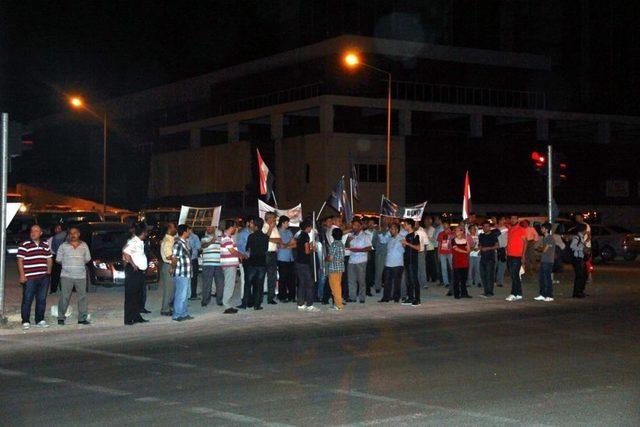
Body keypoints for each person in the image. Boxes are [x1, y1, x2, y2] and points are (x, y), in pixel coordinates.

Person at [17, 225, 53, 330]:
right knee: (27, 299)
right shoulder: (25, 244)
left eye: (36, 231)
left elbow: (49, 258)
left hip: (43, 277)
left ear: (41, 233)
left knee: (41, 299)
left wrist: (48, 272)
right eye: (32, 231)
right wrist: (22, 275)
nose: (33, 233)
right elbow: (20, 260)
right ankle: (25, 321)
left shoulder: (45, 244)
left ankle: (40, 320)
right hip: (30, 278)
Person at [56, 226, 91, 325]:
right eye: (71, 233)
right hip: (67, 276)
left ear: (79, 234)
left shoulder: (84, 245)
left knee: (82, 297)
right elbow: (58, 260)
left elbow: (87, 259)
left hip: (81, 276)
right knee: (64, 297)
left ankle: (82, 318)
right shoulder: (63, 246)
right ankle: (61, 317)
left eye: (75, 233)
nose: (72, 235)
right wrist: (68, 263)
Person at [122, 222, 149, 325]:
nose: (147, 234)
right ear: (143, 232)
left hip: (139, 272)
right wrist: (133, 264)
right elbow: (125, 252)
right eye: (146, 231)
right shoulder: (133, 241)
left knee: (138, 295)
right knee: (131, 295)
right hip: (133, 271)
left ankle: (136, 316)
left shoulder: (140, 242)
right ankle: (129, 319)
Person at [242, 218, 269, 310]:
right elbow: (266, 250)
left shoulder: (251, 236)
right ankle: (257, 305)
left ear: (256, 226)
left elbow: (248, 249)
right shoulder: (266, 237)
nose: (251, 226)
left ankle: (244, 304)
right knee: (259, 285)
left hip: (252, 262)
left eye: (253, 224)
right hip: (262, 263)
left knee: (248, 284)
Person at [220, 220, 244, 313]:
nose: (236, 229)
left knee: (229, 284)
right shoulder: (226, 238)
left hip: (229, 264)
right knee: (229, 285)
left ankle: (226, 303)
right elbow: (232, 251)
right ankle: (226, 305)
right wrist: (241, 255)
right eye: (235, 227)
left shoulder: (227, 237)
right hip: (229, 264)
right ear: (231, 227)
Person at [346, 219, 372, 303]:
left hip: (361, 261)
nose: (354, 227)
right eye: (353, 225)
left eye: (356, 225)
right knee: (351, 280)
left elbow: (369, 248)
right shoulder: (350, 235)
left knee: (361, 280)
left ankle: (362, 298)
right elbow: (346, 246)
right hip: (351, 260)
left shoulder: (365, 236)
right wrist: (348, 241)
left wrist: (359, 250)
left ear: (360, 226)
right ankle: (352, 297)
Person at [171, 224, 194, 321]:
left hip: (186, 272)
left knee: (185, 295)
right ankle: (177, 315)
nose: (190, 232)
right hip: (181, 273)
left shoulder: (184, 242)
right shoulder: (178, 244)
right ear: (184, 232)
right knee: (181, 294)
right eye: (188, 230)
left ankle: (184, 313)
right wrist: (172, 268)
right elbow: (174, 258)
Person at [296, 220, 319, 312]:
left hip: (299, 262)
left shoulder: (300, 235)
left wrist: (309, 246)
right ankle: (310, 304)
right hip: (304, 263)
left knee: (301, 283)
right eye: (310, 227)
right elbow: (306, 251)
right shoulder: (305, 236)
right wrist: (312, 249)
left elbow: (302, 247)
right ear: (307, 227)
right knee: (309, 284)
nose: (311, 229)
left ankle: (300, 304)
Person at [200, 225, 225, 308]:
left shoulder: (220, 238)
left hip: (219, 264)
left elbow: (224, 247)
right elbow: (203, 246)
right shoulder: (204, 237)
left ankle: (220, 300)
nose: (208, 229)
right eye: (207, 227)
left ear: (214, 228)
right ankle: (205, 301)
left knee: (220, 283)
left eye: (210, 227)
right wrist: (211, 241)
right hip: (208, 264)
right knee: (207, 283)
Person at [379, 223, 404, 303]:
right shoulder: (390, 238)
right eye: (390, 229)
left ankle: (396, 298)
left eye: (392, 229)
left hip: (397, 263)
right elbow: (382, 241)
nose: (390, 230)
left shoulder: (402, 238)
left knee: (397, 282)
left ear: (397, 230)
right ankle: (386, 297)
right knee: (386, 282)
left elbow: (405, 250)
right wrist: (380, 232)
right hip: (388, 263)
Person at [505, 215, 527, 302]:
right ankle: (519, 293)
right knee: (515, 276)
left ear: (517, 220)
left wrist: (523, 255)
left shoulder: (521, 229)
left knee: (514, 275)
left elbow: (525, 243)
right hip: (510, 255)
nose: (512, 220)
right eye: (511, 218)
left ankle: (513, 293)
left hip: (517, 256)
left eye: (514, 218)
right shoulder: (510, 229)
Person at [401, 219, 422, 306]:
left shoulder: (415, 235)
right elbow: (407, 248)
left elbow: (418, 248)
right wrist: (404, 245)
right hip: (407, 260)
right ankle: (410, 298)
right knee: (408, 280)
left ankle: (417, 299)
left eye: (405, 224)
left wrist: (408, 244)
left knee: (414, 280)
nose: (404, 226)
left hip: (413, 261)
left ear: (410, 225)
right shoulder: (407, 235)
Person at [262, 212, 281, 304]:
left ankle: (270, 298)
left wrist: (268, 239)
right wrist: (270, 228)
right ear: (269, 218)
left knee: (272, 277)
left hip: (273, 254)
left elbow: (279, 240)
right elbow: (264, 238)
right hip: (265, 254)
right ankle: (258, 297)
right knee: (261, 276)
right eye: (274, 218)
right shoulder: (264, 226)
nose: (275, 220)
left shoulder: (275, 228)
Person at [276, 216, 296, 302]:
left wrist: (286, 245)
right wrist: (289, 244)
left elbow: (295, 244)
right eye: (287, 222)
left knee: (291, 278)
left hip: (290, 258)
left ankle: (292, 296)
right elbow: (280, 245)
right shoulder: (277, 232)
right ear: (283, 223)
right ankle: (282, 297)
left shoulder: (289, 232)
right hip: (282, 258)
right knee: (283, 278)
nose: (288, 224)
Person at [478, 221, 499, 297]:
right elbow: (480, 244)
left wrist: (487, 248)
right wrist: (480, 249)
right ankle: (486, 291)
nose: (485, 228)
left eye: (487, 226)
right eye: (484, 227)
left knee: (489, 275)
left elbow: (497, 246)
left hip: (490, 258)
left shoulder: (493, 235)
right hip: (483, 257)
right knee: (483, 275)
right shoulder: (481, 235)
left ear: (489, 227)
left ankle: (490, 292)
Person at [159, 222, 177, 316]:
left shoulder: (171, 239)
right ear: (170, 228)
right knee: (168, 289)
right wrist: (177, 259)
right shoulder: (167, 241)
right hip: (169, 266)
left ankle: (168, 307)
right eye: (175, 228)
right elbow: (169, 256)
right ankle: (165, 309)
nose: (176, 229)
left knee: (172, 289)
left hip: (170, 265)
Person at [535, 222, 555, 302]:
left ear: (546, 229)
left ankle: (549, 295)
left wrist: (539, 248)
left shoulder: (550, 238)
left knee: (547, 278)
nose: (541, 229)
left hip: (548, 261)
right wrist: (541, 248)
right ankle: (542, 294)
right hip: (544, 260)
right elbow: (543, 248)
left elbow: (544, 249)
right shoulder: (545, 238)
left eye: (542, 228)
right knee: (542, 278)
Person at [326, 227, 346, 310]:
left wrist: (326, 258)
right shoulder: (341, 244)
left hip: (333, 268)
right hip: (340, 268)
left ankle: (339, 305)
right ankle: (337, 304)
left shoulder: (333, 244)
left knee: (335, 287)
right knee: (337, 286)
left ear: (333, 235)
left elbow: (330, 258)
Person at [451, 226, 472, 299]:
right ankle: (456, 294)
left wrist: (468, 246)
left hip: (464, 261)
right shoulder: (453, 240)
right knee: (456, 279)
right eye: (455, 230)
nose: (456, 232)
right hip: (457, 261)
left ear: (462, 231)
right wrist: (465, 251)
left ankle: (464, 293)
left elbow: (469, 250)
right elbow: (456, 249)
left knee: (464, 279)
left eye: (457, 230)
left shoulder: (465, 240)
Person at [570, 223, 588, 298]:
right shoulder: (577, 237)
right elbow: (572, 246)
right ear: (583, 230)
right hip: (577, 259)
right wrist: (582, 248)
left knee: (583, 275)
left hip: (580, 258)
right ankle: (577, 293)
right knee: (580, 276)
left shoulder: (581, 237)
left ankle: (580, 291)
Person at [48, 224, 66, 294]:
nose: (59, 230)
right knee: (56, 274)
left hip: (57, 256)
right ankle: (54, 289)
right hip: (56, 257)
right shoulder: (53, 238)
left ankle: (54, 289)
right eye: (57, 228)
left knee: (56, 274)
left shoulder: (56, 237)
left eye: (60, 228)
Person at [372, 221, 389, 293]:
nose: (385, 221)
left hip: (389, 254)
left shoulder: (391, 230)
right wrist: (378, 248)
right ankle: (377, 286)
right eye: (384, 219)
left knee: (389, 272)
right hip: (380, 254)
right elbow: (373, 242)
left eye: (387, 219)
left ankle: (388, 286)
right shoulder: (377, 230)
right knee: (379, 271)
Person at [437, 222, 453, 290]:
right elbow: (439, 244)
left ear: (449, 225)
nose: (445, 227)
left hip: (450, 252)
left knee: (452, 267)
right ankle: (446, 282)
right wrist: (438, 253)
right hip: (442, 252)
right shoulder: (440, 234)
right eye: (444, 225)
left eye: (446, 225)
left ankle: (453, 280)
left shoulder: (453, 233)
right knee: (444, 268)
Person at [423, 217, 438, 286]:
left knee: (432, 264)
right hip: (424, 249)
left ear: (430, 222)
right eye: (425, 221)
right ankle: (427, 277)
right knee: (426, 264)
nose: (426, 223)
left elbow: (434, 239)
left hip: (431, 248)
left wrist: (427, 237)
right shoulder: (423, 229)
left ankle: (434, 278)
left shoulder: (433, 229)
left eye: (427, 221)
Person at [187, 226, 201, 300]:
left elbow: (198, 247)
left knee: (193, 277)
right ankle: (190, 294)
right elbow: (198, 247)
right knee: (190, 277)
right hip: (189, 259)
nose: (189, 231)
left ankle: (193, 294)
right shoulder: (194, 236)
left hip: (192, 259)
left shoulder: (194, 237)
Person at [495, 217, 509, 288]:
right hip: (495, 249)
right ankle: (494, 280)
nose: (505, 221)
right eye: (503, 219)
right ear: (499, 220)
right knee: (494, 266)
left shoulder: (505, 228)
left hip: (503, 249)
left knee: (502, 266)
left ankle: (499, 281)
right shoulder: (496, 228)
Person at [415, 220, 429, 290]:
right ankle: (417, 283)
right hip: (413, 253)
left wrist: (424, 253)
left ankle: (424, 283)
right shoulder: (411, 231)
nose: (415, 224)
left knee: (422, 268)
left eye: (416, 223)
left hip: (421, 252)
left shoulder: (422, 232)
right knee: (415, 268)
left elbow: (426, 243)